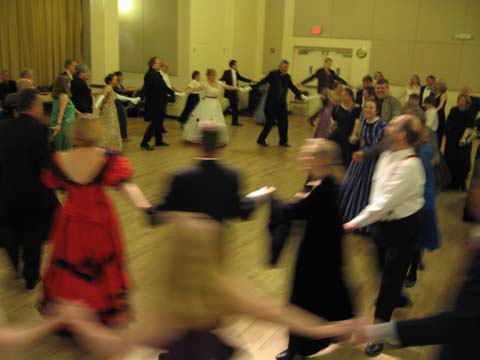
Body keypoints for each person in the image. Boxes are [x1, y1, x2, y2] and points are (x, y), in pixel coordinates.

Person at [55, 213, 351, 360]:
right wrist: (329, 328)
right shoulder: (222, 289)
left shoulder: (166, 309)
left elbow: (113, 346)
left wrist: (80, 322)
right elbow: (278, 312)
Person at [40, 115, 151, 325]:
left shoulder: (59, 159)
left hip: (71, 221)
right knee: (101, 263)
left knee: (71, 263)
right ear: (97, 132)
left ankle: (71, 313)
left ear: (74, 132)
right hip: (99, 218)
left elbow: (52, 186)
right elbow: (126, 186)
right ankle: (99, 309)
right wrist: (147, 207)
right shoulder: (108, 158)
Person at [344, 115, 425, 357]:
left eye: (392, 125)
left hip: (404, 228)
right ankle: (395, 295)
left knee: (389, 280)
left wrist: (353, 223)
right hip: (382, 225)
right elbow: (378, 194)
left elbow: (384, 203)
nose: (386, 127)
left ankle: (378, 332)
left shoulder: (411, 166)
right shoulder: (388, 153)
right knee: (380, 269)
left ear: (401, 134)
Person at [271, 139, 353, 360]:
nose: (303, 157)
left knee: (305, 299)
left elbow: (299, 210)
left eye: (308, 154)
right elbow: (303, 207)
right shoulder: (315, 180)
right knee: (321, 296)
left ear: (321, 160)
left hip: (320, 254)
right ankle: (305, 343)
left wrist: (272, 198)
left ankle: (299, 348)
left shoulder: (328, 187)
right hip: (317, 249)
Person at [0, 89, 57, 290]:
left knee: (8, 229)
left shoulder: (3, 127)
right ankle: (31, 276)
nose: (42, 108)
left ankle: (15, 263)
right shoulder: (40, 130)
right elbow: (46, 164)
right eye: (41, 105)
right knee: (33, 236)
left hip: (6, 190)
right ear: (33, 106)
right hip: (33, 193)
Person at [159, 124, 252, 222]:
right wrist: (255, 198)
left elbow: (162, 211)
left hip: (188, 234)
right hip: (217, 235)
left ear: (200, 144)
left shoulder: (180, 176)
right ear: (220, 146)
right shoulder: (232, 176)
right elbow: (237, 212)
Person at [338, 100, 386, 234]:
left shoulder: (381, 124)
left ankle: (365, 224)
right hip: (361, 156)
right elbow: (362, 138)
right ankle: (350, 216)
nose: (368, 110)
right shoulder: (365, 121)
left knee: (366, 188)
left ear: (377, 110)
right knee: (352, 185)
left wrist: (364, 153)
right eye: (366, 107)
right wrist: (355, 139)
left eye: (371, 108)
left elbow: (379, 146)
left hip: (373, 159)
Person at [405, 110, 440, 288]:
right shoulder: (407, 140)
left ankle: (412, 269)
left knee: (419, 234)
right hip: (409, 192)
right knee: (412, 235)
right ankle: (412, 263)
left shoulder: (428, 140)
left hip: (422, 192)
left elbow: (435, 159)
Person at [183, 69, 241, 147]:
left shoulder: (219, 83)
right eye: (212, 75)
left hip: (216, 104)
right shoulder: (205, 84)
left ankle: (215, 139)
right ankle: (204, 138)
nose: (213, 77)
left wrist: (237, 88)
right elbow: (194, 89)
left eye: (214, 75)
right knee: (206, 120)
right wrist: (184, 91)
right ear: (208, 76)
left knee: (216, 121)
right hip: (207, 103)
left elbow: (228, 87)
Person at [254, 60, 305, 147]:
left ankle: (283, 142)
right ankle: (261, 140)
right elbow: (263, 81)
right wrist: (251, 87)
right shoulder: (273, 74)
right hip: (272, 104)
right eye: (284, 67)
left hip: (281, 104)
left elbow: (292, 87)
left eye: (287, 67)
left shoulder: (287, 77)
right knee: (269, 123)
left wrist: (300, 95)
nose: (286, 69)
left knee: (284, 123)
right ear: (280, 66)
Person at [95, 73, 140, 152]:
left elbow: (118, 96)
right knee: (109, 126)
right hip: (108, 110)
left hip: (111, 109)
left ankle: (109, 145)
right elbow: (103, 96)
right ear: (110, 81)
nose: (117, 81)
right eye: (115, 80)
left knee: (111, 127)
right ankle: (106, 145)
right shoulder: (108, 88)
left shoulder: (110, 88)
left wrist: (131, 99)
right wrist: (96, 105)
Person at [140, 57, 175, 150]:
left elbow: (164, 86)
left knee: (160, 122)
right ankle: (144, 142)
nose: (160, 64)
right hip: (154, 103)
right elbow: (146, 87)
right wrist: (140, 97)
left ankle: (158, 141)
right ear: (153, 64)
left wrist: (172, 93)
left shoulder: (158, 74)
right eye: (159, 63)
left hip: (161, 102)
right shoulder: (149, 74)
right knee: (154, 123)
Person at [444, 94, 475, 191]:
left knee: (460, 163)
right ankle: (449, 182)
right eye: (459, 100)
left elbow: (469, 128)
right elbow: (448, 122)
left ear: (467, 102)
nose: (461, 102)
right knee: (449, 160)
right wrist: (449, 129)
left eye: (463, 100)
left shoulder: (469, 113)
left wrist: (463, 137)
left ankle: (459, 183)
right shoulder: (453, 110)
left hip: (462, 141)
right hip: (451, 140)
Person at [330, 88, 361, 167]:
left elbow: (357, 123)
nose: (342, 97)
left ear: (350, 96)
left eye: (345, 95)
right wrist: (332, 126)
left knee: (348, 157)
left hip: (349, 135)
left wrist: (354, 135)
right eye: (342, 95)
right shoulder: (337, 107)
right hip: (338, 134)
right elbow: (333, 119)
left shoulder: (357, 108)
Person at [220, 60, 254, 126]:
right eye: (236, 65)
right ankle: (224, 115)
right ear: (232, 65)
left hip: (234, 91)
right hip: (229, 92)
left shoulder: (236, 72)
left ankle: (234, 122)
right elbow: (222, 79)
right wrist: (215, 82)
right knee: (231, 107)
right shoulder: (226, 72)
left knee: (234, 106)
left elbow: (241, 78)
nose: (237, 66)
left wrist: (250, 80)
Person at [50, 76, 80, 151]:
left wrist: (81, 114)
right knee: (66, 148)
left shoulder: (58, 95)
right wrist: (59, 125)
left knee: (60, 148)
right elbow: (61, 110)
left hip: (59, 122)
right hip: (64, 124)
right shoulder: (64, 96)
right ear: (65, 84)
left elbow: (70, 107)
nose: (70, 84)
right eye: (69, 82)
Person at [113, 71, 140, 142]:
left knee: (123, 120)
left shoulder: (120, 85)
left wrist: (137, 89)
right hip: (118, 104)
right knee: (122, 120)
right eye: (121, 76)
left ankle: (124, 136)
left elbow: (126, 89)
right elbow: (123, 92)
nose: (122, 78)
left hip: (121, 104)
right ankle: (123, 137)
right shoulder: (114, 87)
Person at [434, 79, 448, 146]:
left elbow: (441, 105)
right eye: (436, 83)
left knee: (439, 133)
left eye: (437, 84)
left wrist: (434, 111)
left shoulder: (444, 94)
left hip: (439, 115)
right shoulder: (434, 93)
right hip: (433, 115)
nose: (436, 85)